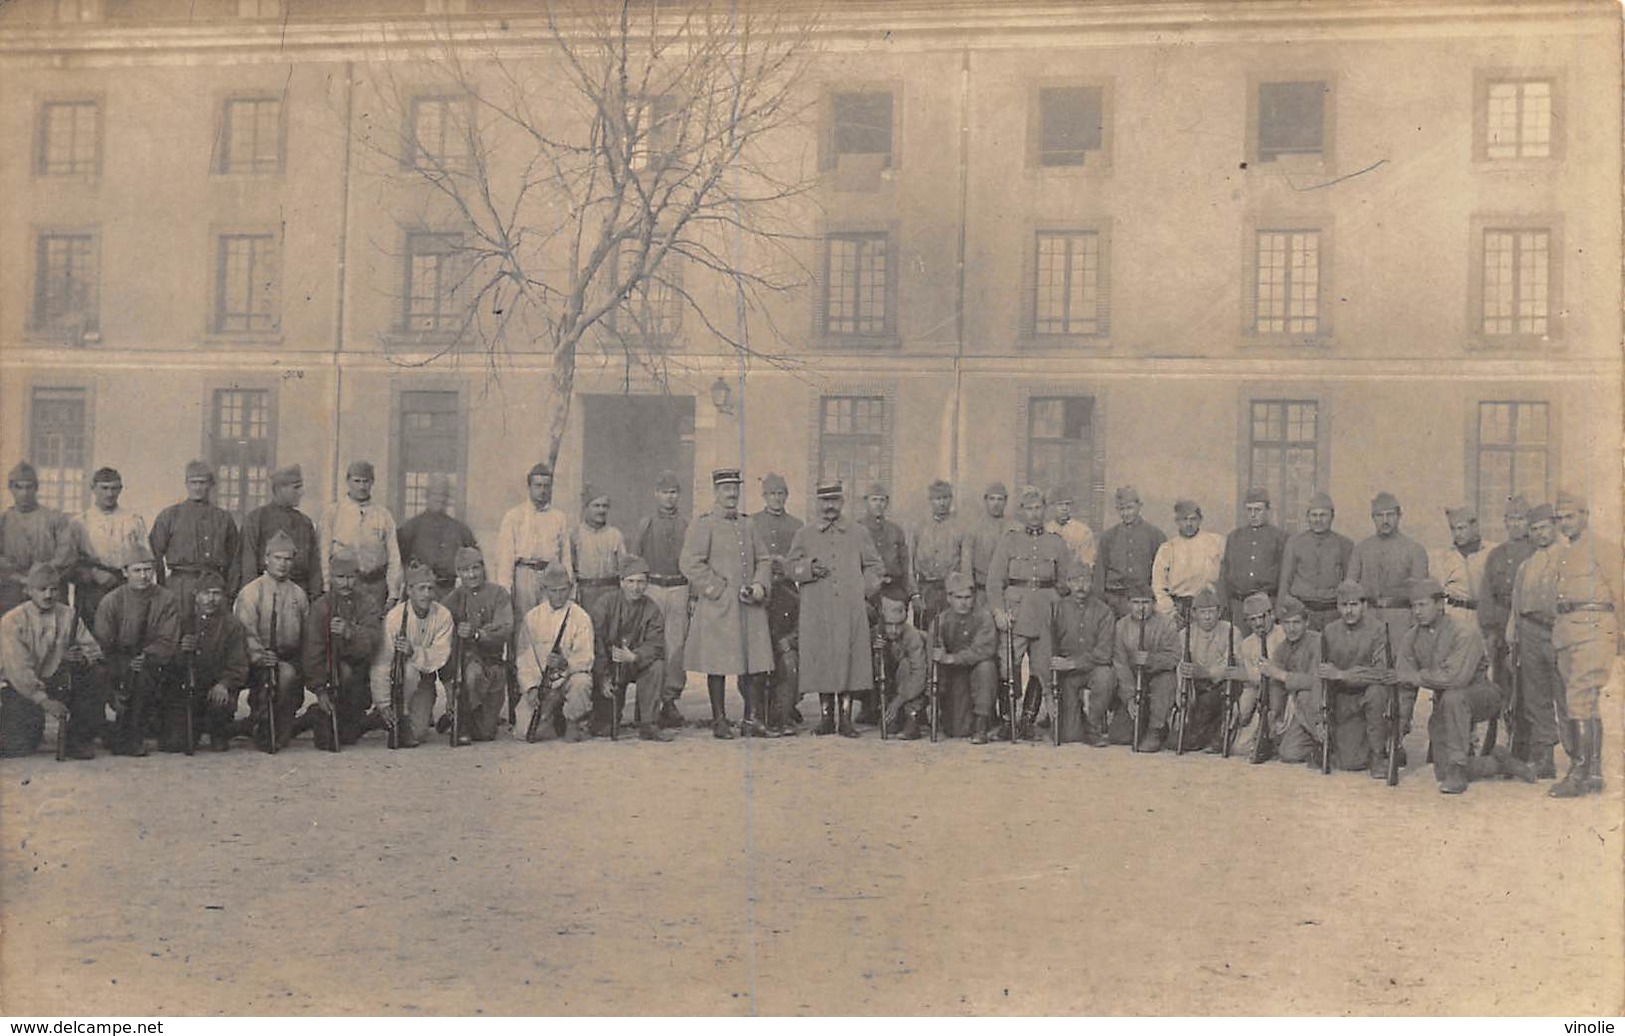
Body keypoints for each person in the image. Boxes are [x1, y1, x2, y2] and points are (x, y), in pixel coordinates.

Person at [1393, 578, 1535, 794]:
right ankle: (1498, 763)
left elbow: (1455, 679)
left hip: (1482, 695)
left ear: (1440, 604)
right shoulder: (1411, 638)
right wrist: (1400, 724)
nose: (1417, 611)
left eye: (1423, 605)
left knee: (1453, 697)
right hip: (1447, 704)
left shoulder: (1463, 632)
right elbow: (1404, 682)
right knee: (1442, 771)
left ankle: (1459, 767)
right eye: (1414, 606)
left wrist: (1417, 676)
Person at [681, 469, 775, 739]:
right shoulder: (704, 524)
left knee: (754, 663)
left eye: (735, 488)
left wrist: (758, 585)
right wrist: (717, 589)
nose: (732, 494)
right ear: (716, 492)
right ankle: (719, 720)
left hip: (750, 606)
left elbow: (764, 559)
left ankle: (751, 719)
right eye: (726, 489)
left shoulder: (748, 524)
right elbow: (689, 563)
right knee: (718, 664)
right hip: (719, 606)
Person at [788, 480, 884, 738]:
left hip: (849, 611)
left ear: (842, 502)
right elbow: (790, 567)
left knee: (848, 660)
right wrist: (807, 569)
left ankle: (846, 718)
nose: (830, 506)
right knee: (821, 659)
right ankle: (826, 718)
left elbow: (876, 567)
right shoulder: (804, 534)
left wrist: (861, 591)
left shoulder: (858, 533)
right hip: (816, 609)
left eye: (834, 500)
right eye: (825, 501)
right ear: (817, 503)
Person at [1548, 490, 1620, 798]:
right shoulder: (1565, 552)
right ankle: (1593, 772)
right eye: (1560, 518)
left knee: (1578, 697)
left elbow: (1621, 592)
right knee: (1581, 701)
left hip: (1594, 629)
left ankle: (1577, 771)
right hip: (1568, 633)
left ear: (1585, 516)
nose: (1565, 523)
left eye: (1570, 517)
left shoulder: (1604, 549)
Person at [0, 563, 104, 759]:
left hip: (58, 680)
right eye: (42, 589)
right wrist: (44, 701)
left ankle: (78, 739)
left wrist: (80, 659)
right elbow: (18, 670)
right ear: (29, 591)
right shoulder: (12, 620)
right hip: (21, 687)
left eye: (54, 589)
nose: (48, 595)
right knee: (18, 746)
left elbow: (94, 651)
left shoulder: (69, 615)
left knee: (95, 676)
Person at [988, 485, 1068, 740]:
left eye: (1038, 508)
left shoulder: (1056, 542)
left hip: (1046, 613)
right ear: (1021, 511)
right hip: (1015, 612)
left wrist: (1057, 609)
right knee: (1007, 665)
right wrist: (999, 612)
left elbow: (1065, 582)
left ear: (1045, 510)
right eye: (1029, 508)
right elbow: (994, 581)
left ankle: (1027, 721)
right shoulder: (1009, 539)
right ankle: (1007, 720)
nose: (1034, 514)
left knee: (1041, 667)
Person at [94, 544, 181, 756]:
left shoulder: (167, 599)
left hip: (154, 662)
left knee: (176, 740)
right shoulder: (111, 601)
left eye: (147, 570)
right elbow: (102, 642)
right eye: (137, 570)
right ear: (125, 572)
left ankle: (134, 734)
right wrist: (121, 662)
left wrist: (148, 656)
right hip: (117, 661)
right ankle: (110, 730)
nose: (143, 576)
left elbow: (168, 638)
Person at [235, 530, 310, 751]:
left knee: (290, 678)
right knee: (282, 677)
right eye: (277, 558)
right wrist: (259, 655)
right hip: (258, 659)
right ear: (266, 559)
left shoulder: (298, 594)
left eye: (288, 559)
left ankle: (280, 726)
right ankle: (261, 722)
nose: (283, 564)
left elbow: (306, 633)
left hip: (289, 657)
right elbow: (245, 630)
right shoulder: (251, 592)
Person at [301, 549, 383, 749]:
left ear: (358, 577)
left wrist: (350, 632)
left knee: (349, 735)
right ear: (331, 578)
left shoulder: (368, 603)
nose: (346, 583)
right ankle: (314, 715)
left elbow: (373, 640)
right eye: (340, 577)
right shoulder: (321, 607)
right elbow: (312, 652)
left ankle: (352, 718)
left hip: (359, 680)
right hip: (331, 679)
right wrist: (320, 690)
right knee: (326, 741)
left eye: (350, 577)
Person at [1507, 503, 1564, 779]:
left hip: (1557, 631)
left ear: (1554, 526)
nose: (1540, 534)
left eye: (1543, 527)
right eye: (1534, 529)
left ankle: (1579, 759)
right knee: (1535, 696)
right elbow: (1516, 606)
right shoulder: (1526, 565)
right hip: (1528, 632)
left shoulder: (1567, 558)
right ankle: (1545, 758)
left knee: (1564, 694)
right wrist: (1513, 637)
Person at [587, 555, 671, 741]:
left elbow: (656, 644)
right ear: (621, 582)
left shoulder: (652, 609)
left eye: (641, 582)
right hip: (609, 666)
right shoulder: (605, 603)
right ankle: (605, 717)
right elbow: (596, 641)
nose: (636, 587)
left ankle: (648, 723)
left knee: (657, 666)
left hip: (634, 663)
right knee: (605, 725)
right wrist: (603, 676)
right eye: (631, 581)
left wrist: (634, 656)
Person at [371, 562, 453, 748]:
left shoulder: (443, 615)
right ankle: (388, 713)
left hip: (424, 678)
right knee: (408, 670)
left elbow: (440, 655)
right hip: (398, 679)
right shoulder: (395, 618)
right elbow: (381, 663)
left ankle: (386, 719)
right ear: (409, 590)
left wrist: (413, 652)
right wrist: (383, 702)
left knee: (418, 733)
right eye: (421, 588)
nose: (426, 594)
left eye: (430, 588)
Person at [632, 470, 691, 728]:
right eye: (665, 492)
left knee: (676, 647)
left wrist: (693, 595)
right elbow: (635, 559)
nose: (670, 497)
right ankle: (647, 703)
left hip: (679, 587)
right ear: (656, 494)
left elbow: (694, 561)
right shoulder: (646, 523)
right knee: (652, 643)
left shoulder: (687, 525)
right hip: (653, 588)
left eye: (674, 492)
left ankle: (669, 700)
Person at [436, 546, 513, 744]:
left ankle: (459, 717)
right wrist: (448, 681)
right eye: (465, 570)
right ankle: (460, 719)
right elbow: (440, 636)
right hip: (466, 666)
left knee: (486, 734)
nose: (472, 574)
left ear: (483, 568)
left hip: (493, 665)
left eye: (475, 568)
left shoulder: (499, 594)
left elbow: (505, 629)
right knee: (472, 674)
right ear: (459, 574)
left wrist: (477, 634)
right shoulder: (452, 600)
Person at [513, 562, 594, 744]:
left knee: (582, 682)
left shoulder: (580, 617)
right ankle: (555, 719)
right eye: (553, 590)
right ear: (544, 590)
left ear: (570, 589)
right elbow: (524, 659)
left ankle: (573, 721)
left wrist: (565, 663)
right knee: (525, 732)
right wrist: (531, 688)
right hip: (543, 684)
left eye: (563, 590)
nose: (559, 595)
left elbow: (586, 658)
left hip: (567, 680)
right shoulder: (532, 618)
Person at [1316, 580, 1392, 773]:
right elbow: (1320, 675)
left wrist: (1342, 674)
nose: (1349, 611)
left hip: (1369, 695)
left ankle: (1378, 754)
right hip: (1343, 701)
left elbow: (1381, 673)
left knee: (1378, 692)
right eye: (1344, 605)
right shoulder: (1329, 631)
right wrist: (1318, 718)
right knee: (1350, 763)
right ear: (1337, 607)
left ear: (1364, 605)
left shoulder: (1378, 629)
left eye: (1354, 605)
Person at [1480, 495, 1535, 757]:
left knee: (1528, 686)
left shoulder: (1538, 551)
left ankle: (1526, 745)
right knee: (1500, 684)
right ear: (1504, 522)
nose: (1515, 524)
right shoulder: (1496, 555)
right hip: (1501, 627)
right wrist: (1490, 630)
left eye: (1521, 519)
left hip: (1528, 626)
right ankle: (1498, 740)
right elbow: (1486, 594)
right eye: (1511, 519)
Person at [175, 571, 251, 753]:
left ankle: (220, 731)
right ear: (196, 595)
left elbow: (238, 664)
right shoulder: (183, 622)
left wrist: (224, 684)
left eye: (216, 593)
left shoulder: (232, 625)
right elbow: (167, 659)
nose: (210, 599)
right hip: (190, 689)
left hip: (218, 689)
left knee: (219, 736)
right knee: (176, 743)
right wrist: (180, 649)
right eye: (205, 593)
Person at [751, 473, 803, 735]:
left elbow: (802, 562)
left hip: (785, 593)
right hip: (760, 594)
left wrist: (786, 567)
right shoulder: (752, 523)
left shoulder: (797, 525)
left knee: (787, 656)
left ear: (786, 496)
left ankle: (784, 710)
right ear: (764, 496)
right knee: (757, 658)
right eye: (771, 494)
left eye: (781, 494)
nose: (776, 499)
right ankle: (757, 711)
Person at [149, 460, 241, 607]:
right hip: (180, 587)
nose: (197, 488)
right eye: (193, 482)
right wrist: (161, 588)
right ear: (186, 484)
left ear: (211, 485)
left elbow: (235, 559)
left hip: (214, 586)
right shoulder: (170, 516)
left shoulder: (224, 518)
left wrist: (230, 593)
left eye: (202, 483)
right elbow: (154, 553)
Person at [69, 467, 150, 630]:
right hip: (91, 587)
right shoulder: (79, 522)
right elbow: (70, 560)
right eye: (104, 488)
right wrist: (92, 573)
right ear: (93, 489)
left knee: (126, 629)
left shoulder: (133, 519)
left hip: (124, 582)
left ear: (120, 489)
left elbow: (145, 555)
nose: (109, 494)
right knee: (91, 631)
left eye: (114, 488)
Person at [492, 462, 573, 624]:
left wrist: (568, 585)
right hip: (524, 575)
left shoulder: (559, 518)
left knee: (550, 623)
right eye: (538, 485)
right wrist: (505, 590)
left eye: (546, 486)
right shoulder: (514, 516)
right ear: (529, 487)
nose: (542, 490)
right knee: (524, 623)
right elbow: (505, 557)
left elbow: (566, 556)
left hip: (551, 575)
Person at [321, 460, 402, 617]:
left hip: (375, 586)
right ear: (348, 481)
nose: (361, 486)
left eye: (366, 481)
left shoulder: (383, 515)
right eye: (356, 481)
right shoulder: (333, 513)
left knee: (372, 630)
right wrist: (326, 587)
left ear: (372, 482)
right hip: (344, 586)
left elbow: (394, 556)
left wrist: (393, 592)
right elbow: (324, 553)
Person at [857, 483, 909, 726]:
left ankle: (891, 703)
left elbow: (906, 566)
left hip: (894, 592)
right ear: (865, 501)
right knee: (868, 646)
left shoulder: (896, 531)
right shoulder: (857, 530)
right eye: (873, 499)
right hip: (868, 595)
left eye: (882, 499)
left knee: (894, 649)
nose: (878, 504)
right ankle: (868, 704)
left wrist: (912, 594)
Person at [1049, 557, 1116, 745]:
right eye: (1076, 580)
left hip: (1092, 669)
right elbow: (1048, 648)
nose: (1081, 586)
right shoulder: (1056, 609)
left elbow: (1104, 653)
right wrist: (1058, 666)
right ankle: (1074, 716)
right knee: (1071, 736)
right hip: (1066, 676)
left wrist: (1073, 663)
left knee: (1106, 675)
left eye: (1085, 580)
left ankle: (1094, 725)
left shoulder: (1104, 612)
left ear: (1092, 583)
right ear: (1068, 583)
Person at [1348, 491, 1429, 646]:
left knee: (1399, 664)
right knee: (1367, 665)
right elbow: (1350, 588)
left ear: (1399, 516)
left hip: (1401, 619)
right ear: (1373, 518)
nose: (1385, 520)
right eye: (1379, 516)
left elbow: (1421, 594)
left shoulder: (1414, 549)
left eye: (1390, 515)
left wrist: (1415, 627)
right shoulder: (1361, 549)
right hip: (1368, 618)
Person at [1108, 584, 1181, 751]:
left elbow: (1174, 656)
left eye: (1146, 602)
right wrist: (1129, 697)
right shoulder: (1121, 627)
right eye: (1136, 602)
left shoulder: (1166, 624)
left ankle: (1156, 728)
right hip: (1133, 682)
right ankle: (1143, 718)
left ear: (1154, 604)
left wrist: (1151, 660)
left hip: (1158, 678)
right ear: (1128, 604)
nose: (1141, 608)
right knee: (1119, 736)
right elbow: (1120, 665)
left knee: (1166, 680)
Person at [0, 462, 75, 615]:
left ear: (36, 488)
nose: (24, 492)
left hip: (49, 588)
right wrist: (21, 578)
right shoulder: (4, 520)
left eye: (29, 487)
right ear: (11, 489)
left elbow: (66, 553)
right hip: (14, 588)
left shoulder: (54, 518)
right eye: (19, 487)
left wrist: (41, 577)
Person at [1260, 596, 1327, 766]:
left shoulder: (1317, 642)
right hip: (1299, 710)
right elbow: (1275, 685)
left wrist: (1281, 675)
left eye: (1296, 622)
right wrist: (1274, 712)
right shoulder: (1282, 649)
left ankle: (1326, 741)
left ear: (1307, 622)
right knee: (1288, 753)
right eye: (1286, 623)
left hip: (1320, 706)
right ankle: (1316, 745)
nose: (1291, 628)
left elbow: (1315, 681)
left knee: (1305, 696)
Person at [240, 464, 322, 602]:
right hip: (266, 593)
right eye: (296, 487)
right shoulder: (257, 519)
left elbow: (314, 566)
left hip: (299, 595)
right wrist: (253, 597)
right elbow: (249, 563)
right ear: (279, 489)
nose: (301, 492)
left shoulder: (305, 523)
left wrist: (315, 598)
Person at [933, 572, 999, 743]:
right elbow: (935, 650)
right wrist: (939, 654)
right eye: (958, 597)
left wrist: (953, 658)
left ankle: (981, 723)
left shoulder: (983, 617)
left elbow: (984, 650)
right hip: (954, 676)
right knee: (957, 730)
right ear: (949, 598)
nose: (964, 602)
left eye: (968, 597)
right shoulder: (941, 621)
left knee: (987, 666)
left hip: (977, 672)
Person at [1278, 491, 1353, 632]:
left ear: (1332, 517)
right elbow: (1285, 581)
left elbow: (1350, 583)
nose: (1318, 520)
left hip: (1333, 613)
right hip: (1303, 612)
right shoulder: (1295, 543)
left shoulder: (1344, 544)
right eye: (1314, 515)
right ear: (1307, 517)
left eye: (1323, 515)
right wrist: (1281, 613)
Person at [1177, 587, 1237, 754]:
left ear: (1219, 612)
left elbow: (1230, 666)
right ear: (1195, 613)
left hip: (1221, 686)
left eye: (1212, 611)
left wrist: (1207, 673)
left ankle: (1218, 735)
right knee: (1182, 740)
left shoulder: (1231, 631)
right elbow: (1180, 666)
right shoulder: (1185, 634)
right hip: (1195, 689)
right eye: (1203, 612)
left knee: (1213, 700)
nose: (1208, 617)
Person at [395, 474, 476, 596]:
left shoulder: (460, 529)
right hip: (421, 591)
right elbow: (398, 560)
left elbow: (475, 561)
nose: (439, 499)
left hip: (450, 591)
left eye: (443, 495)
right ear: (427, 496)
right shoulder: (411, 527)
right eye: (435, 494)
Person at [1219, 488, 1287, 629]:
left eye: (1258, 510)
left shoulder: (1280, 537)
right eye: (1249, 510)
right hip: (1239, 607)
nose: (1253, 515)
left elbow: (1285, 576)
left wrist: (1279, 607)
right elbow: (1225, 573)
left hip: (1267, 604)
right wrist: (1225, 606)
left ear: (1268, 511)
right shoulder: (1234, 537)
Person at [1094, 486, 1166, 618]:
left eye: (1130, 508)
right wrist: (1100, 604)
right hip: (1113, 601)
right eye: (1121, 509)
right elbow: (1099, 573)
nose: (1126, 513)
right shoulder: (1108, 537)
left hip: (1143, 602)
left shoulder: (1155, 535)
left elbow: (1162, 574)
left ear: (1139, 506)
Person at [1231, 591, 1286, 763]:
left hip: (1283, 694)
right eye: (1252, 619)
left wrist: (1249, 675)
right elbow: (1249, 685)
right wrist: (1241, 710)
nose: (1258, 623)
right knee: (1240, 748)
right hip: (1259, 695)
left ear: (1271, 614)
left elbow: (1279, 673)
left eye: (1261, 617)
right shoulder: (1247, 644)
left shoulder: (1283, 635)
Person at [911, 479, 969, 632]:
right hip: (925, 589)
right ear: (930, 501)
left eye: (945, 498)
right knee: (924, 632)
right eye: (938, 499)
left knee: (950, 634)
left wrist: (960, 592)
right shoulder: (919, 526)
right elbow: (909, 564)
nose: (942, 503)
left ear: (951, 500)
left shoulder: (961, 527)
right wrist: (914, 594)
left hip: (949, 590)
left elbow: (966, 564)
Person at [1151, 499, 1222, 623]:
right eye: (1184, 519)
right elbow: (1158, 586)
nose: (1189, 524)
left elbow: (1226, 577)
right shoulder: (1168, 548)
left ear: (1200, 520)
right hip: (1178, 609)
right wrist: (1170, 612)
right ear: (1177, 521)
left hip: (1208, 608)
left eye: (1193, 519)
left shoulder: (1216, 543)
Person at [875, 592, 929, 740]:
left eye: (898, 625)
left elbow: (919, 674)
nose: (893, 630)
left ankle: (912, 717)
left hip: (909, 689)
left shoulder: (912, 636)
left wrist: (898, 701)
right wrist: (877, 654)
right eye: (889, 625)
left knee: (906, 665)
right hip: (887, 687)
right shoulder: (875, 634)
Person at [1434, 505, 1491, 632]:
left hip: (1483, 617)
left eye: (1461, 528)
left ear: (1474, 527)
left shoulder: (1490, 553)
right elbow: (1437, 593)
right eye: (1453, 529)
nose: (1457, 534)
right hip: (1454, 616)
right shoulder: (1445, 558)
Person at [572, 484, 625, 616]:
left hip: (611, 592)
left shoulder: (615, 534)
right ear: (586, 508)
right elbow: (571, 568)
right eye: (596, 506)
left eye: (605, 506)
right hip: (586, 593)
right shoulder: (576, 534)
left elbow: (624, 568)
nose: (601, 510)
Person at [967, 482, 1015, 609]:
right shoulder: (974, 529)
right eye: (992, 499)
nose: (996, 503)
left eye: (1000, 499)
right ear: (986, 500)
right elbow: (966, 565)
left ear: (1006, 501)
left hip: (1008, 592)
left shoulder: (1015, 528)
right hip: (981, 593)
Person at [1046, 484, 1097, 572]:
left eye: (1067, 504)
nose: (1064, 508)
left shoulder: (1083, 531)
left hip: (1074, 577)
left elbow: (1088, 561)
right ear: (1052, 506)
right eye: (1060, 504)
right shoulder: (1046, 529)